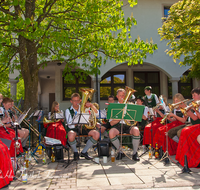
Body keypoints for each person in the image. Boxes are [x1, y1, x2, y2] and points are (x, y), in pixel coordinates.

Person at [65, 93, 100, 160]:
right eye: (74, 100)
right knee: (70, 135)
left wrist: (92, 106)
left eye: (77, 100)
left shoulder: (84, 108)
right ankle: (75, 152)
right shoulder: (68, 110)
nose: (76, 102)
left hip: (84, 127)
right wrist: (77, 121)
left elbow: (97, 114)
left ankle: (84, 152)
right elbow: (70, 124)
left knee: (96, 134)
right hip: (74, 128)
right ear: (71, 101)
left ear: (80, 100)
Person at [109, 88, 140, 161]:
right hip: (118, 125)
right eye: (120, 95)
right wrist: (121, 116)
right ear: (117, 96)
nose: (122, 97)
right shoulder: (113, 106)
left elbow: (136, 119)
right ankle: (120, 151)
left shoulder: (131, 105)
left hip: (128, 125)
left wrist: (131, 118)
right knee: (111, 132)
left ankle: (135, 153)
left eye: (123, 95)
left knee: (136, 130)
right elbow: (111, 122)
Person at [175, 88, 200, 168]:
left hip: (197, 125)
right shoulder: (195, 104)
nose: (193, 97)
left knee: (185, 131)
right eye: (192, 95)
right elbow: (194, 117)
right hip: (195, 125)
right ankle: (183, 159)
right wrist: (186, 109)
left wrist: (195, 110)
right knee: (184, 132)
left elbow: (197, 118)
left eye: (194, 95)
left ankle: (191, 159)